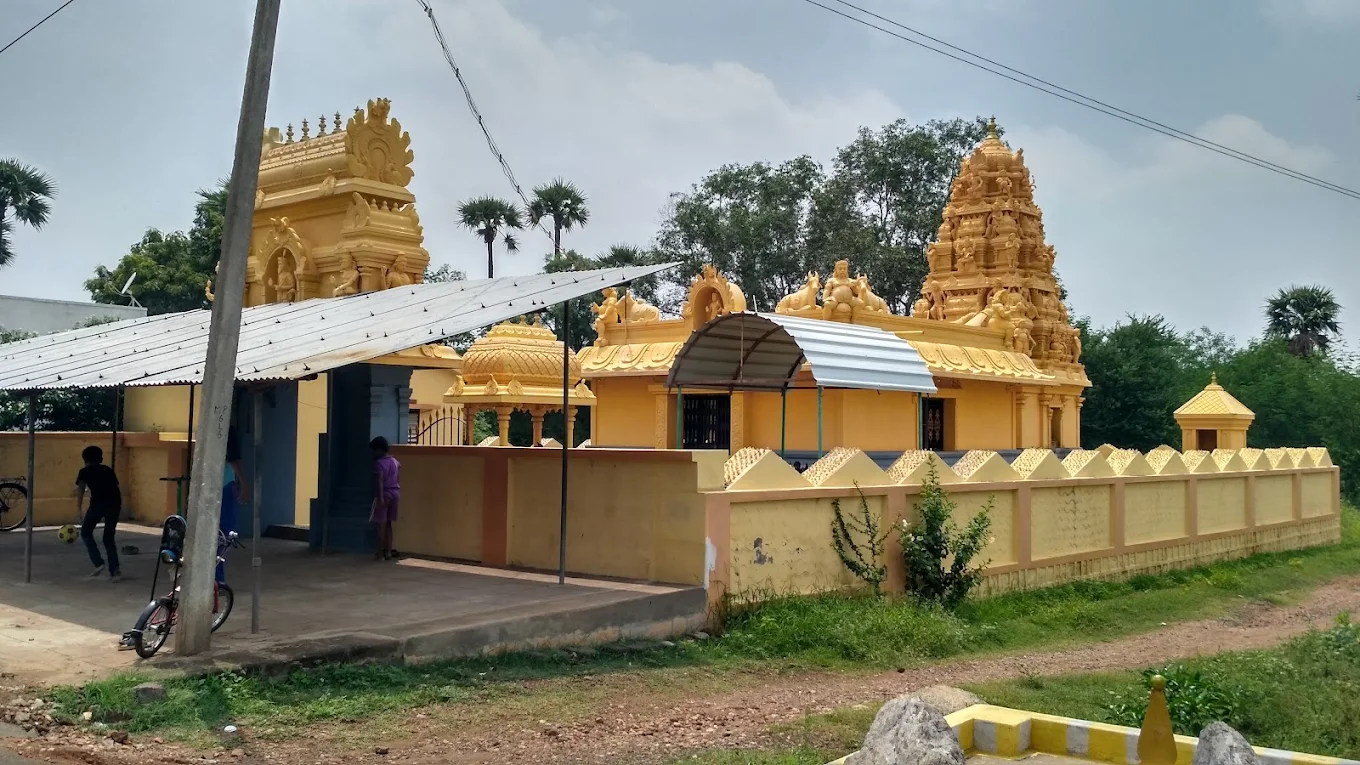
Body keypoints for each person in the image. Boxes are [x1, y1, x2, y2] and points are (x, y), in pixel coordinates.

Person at [75, 445, 122, 582]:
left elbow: (81, 490)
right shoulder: (108, 470)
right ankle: (115, 571)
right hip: (114, 503)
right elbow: (115, 488)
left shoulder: (84, 472)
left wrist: (79, 510)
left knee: (86, 532)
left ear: (85, 459)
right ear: (101, 458)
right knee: (109, 537)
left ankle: (98, 562)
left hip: (98, 504)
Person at [218, 426, 250, 583]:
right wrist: (244, 483)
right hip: (225, 485)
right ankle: (218, 579)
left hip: (212, 486)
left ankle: (217, 577)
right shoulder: (228, 430)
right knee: (225, 534)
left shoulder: (210, 427)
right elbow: (233, 459)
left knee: (217, 534)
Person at [370, 436, 400, 561]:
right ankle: (388, 552)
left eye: (374, 450)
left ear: (379, 450)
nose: (372, 453)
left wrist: (380, 498)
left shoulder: (379, 463)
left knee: (381, 525)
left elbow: (380, 481)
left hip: (385, 494)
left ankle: (380, 553)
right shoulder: (395, 462)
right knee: (389, 524)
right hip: (396, 493)